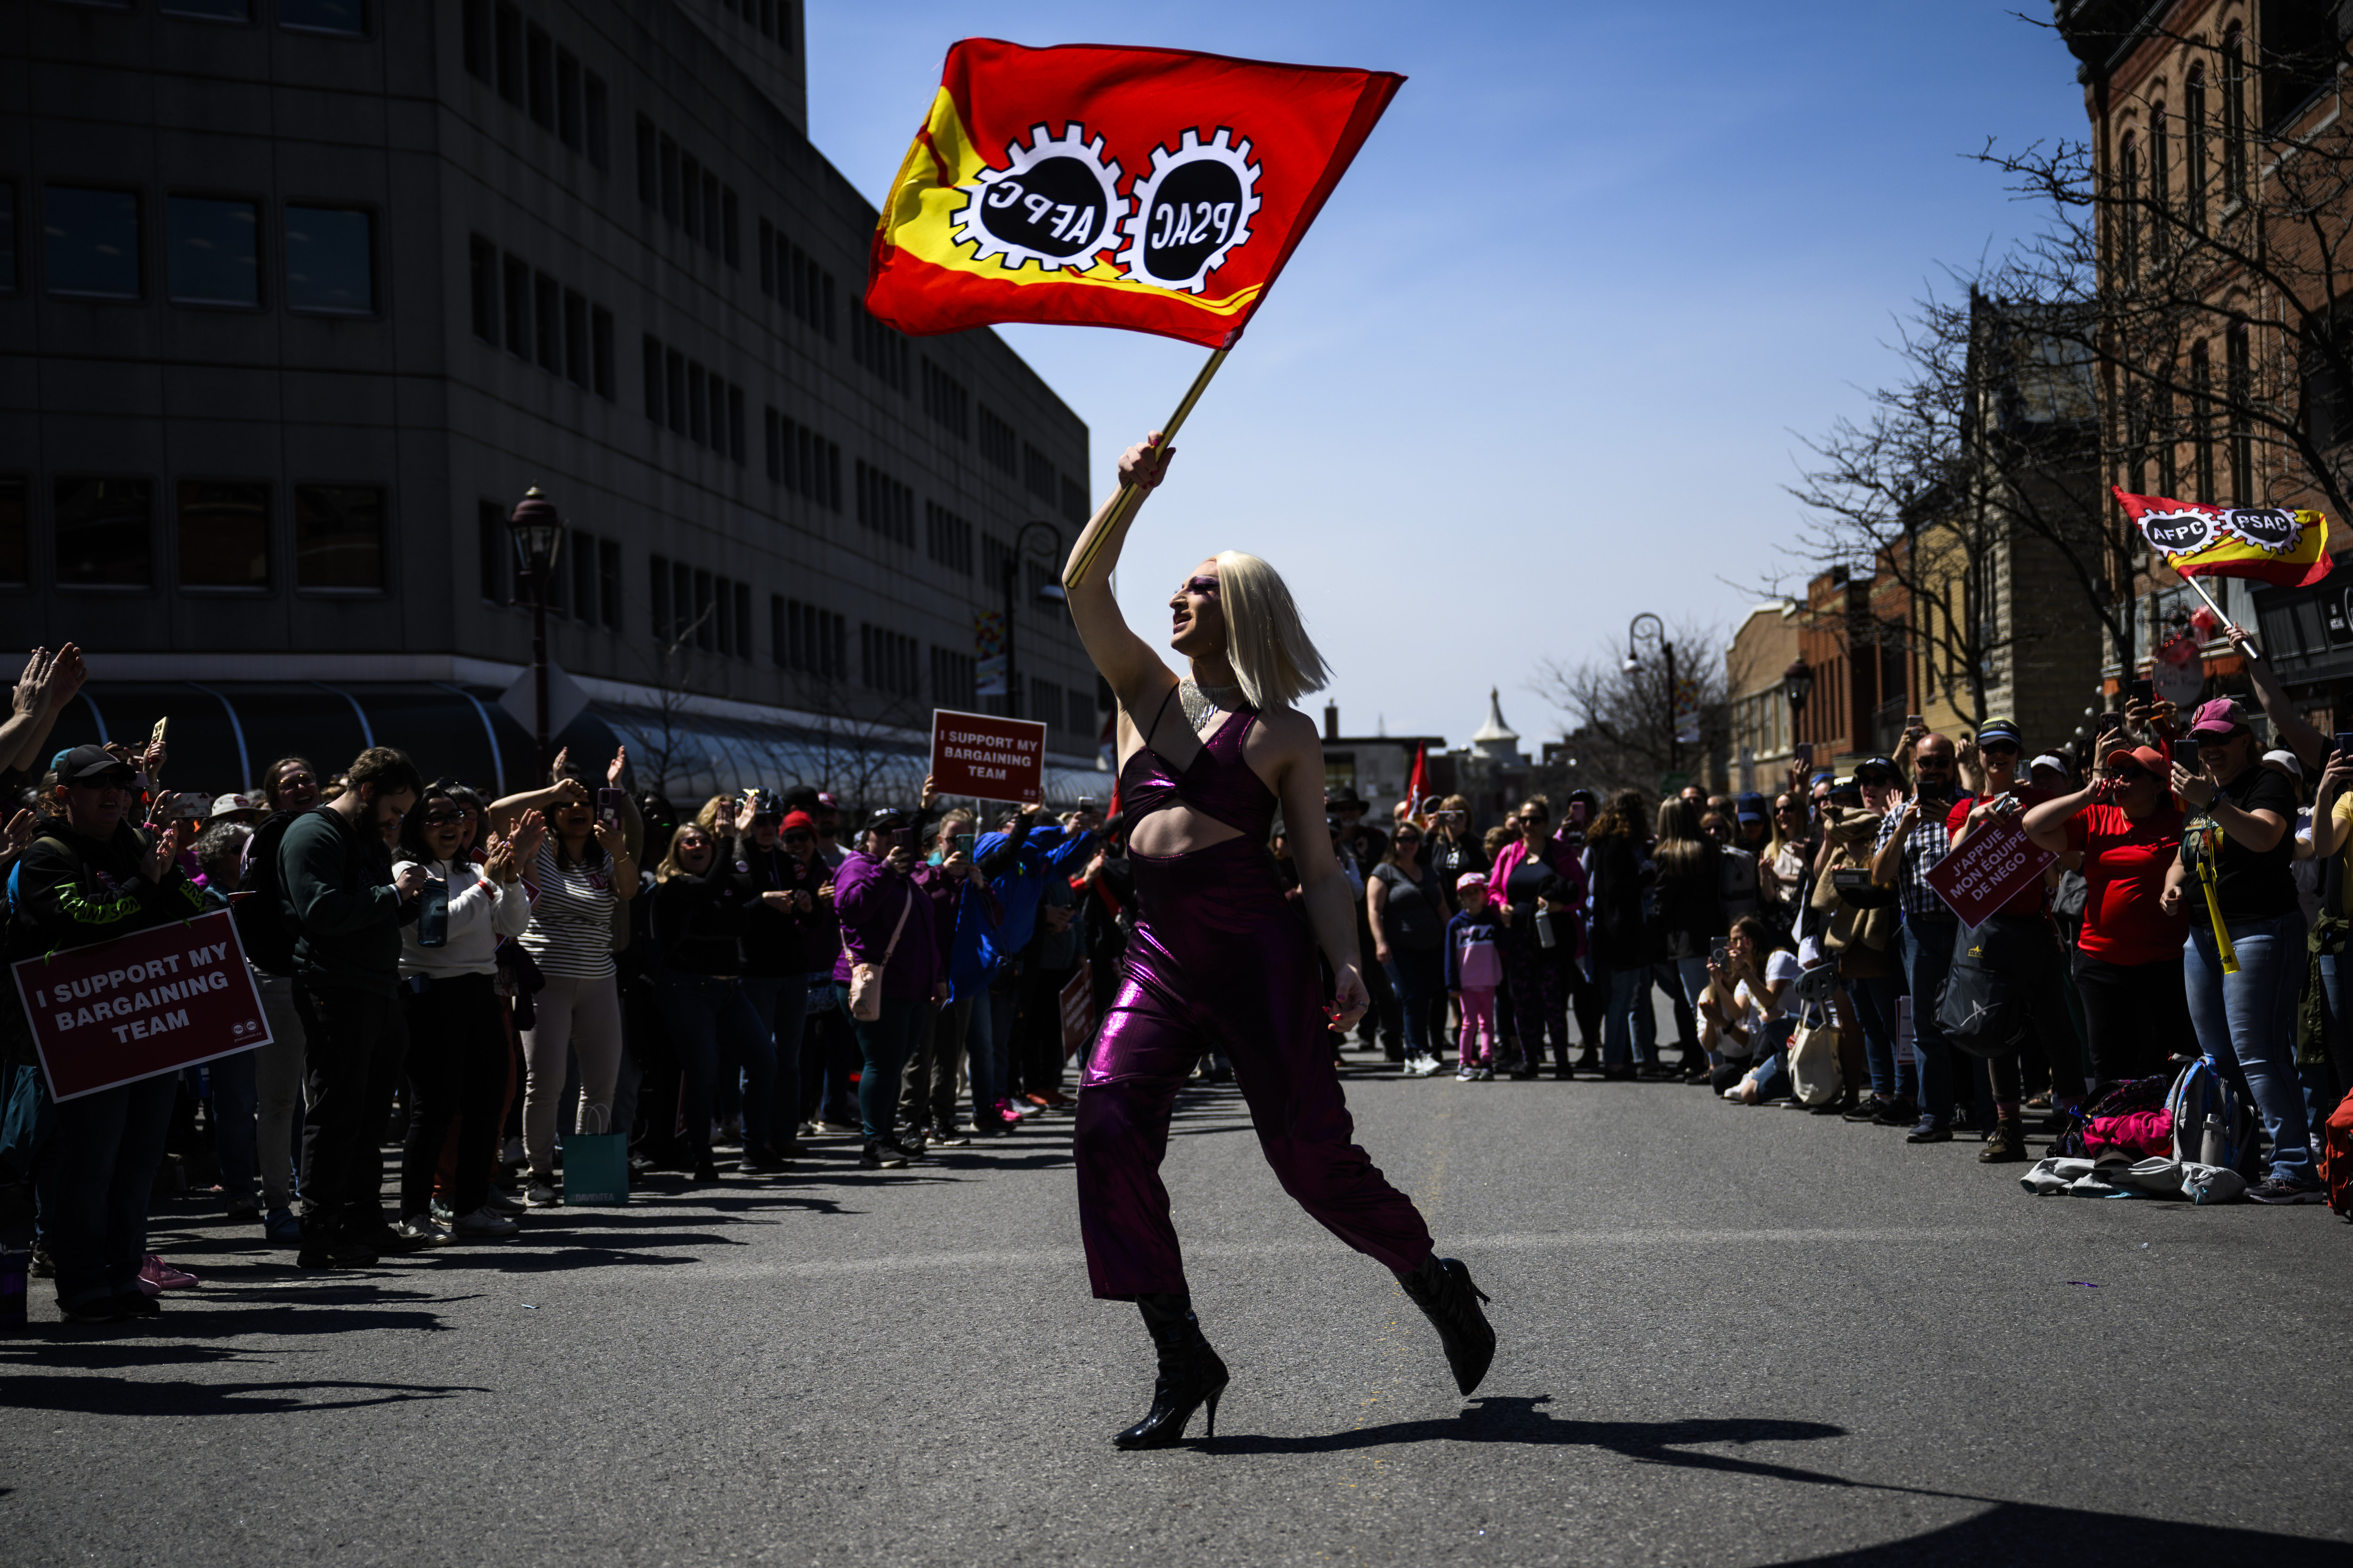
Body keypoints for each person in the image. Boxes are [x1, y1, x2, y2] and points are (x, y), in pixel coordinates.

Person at [1059, 431, 1495, 1450]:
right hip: (1160, 951)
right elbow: (1080, 587)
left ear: (1240, 608)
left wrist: (1347, 959)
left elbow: (1318, 866)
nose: (1177, 595)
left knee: (1309, 1162)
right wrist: (1126, 496)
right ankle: (1181, 1353)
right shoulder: (1141, 693)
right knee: (1108, 1116)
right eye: (1176, 582)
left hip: (1255, 954)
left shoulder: (1284, 733)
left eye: (1200, 587)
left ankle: (1431, 1276)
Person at [11, 745, 206, 1322]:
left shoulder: (136, 844)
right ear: (65, 796)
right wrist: (146, 884)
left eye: (123, 786)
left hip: (149, 1029)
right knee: (89, 1163)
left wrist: (172, 874)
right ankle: (83, 1286)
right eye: (100, 786)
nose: (115, 795)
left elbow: (195, 906)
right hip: (84, 1034)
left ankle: (124, 1277)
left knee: (137, 1161)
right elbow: (84, 919)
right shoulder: (46, 854)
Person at [2163, 698, 2322, 1201]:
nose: (2209, 749)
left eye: (2219, 738)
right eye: (2201, 740)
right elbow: (2183, 854)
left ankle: (2295, 1165)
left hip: (2259, 930)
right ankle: (2237, 1154)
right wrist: (2170, 885)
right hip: (2204, 933)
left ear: (2243, 739)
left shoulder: (2265, 781)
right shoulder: (2206, 792)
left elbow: (2265, 836)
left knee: (2258, 1052)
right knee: (2217, 1056)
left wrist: (2211, 803)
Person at [280, 745, 426, 1268]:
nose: (397, 820)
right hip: (334, 988)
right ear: (367, 792)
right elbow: (321, 910)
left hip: (378, 988)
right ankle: (319, 1229)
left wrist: (407, 902)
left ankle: (364, 1217)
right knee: (336, 1109)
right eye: (394, 808)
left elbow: (371, 910)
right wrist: (392, 894)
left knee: (369, 1114)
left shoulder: (366, 836)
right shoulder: (313, 834)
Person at [492, 748, 639, 1208]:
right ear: (552, 814)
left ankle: (591, 1174)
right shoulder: (541, 853)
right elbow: (497, 813)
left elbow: (630, 890)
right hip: (547, 981)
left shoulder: (605, 856)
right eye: (566, 806)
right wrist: (554, 787)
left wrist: (619, 852)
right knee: (547, 1081)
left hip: (599, 982)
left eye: (585, 805)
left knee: (600, 1083)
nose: (577, 811)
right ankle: (539, 1175)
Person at [391, 783, 533, 1240]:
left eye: (455, 815)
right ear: (417, 826)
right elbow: (440, 929)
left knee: (487, 1104)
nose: (450, 824)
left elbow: (512, 926)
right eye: (436, 817)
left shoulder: (474, 868)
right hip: (430, 998)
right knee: (434, 1109)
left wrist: (509, 880)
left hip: (480, 993)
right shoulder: (411, 870)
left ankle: (472, 1206)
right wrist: (490, 882)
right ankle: (414, 1214)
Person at [1943, 720, 2080, 1162]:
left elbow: (2071, 851)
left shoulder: (2039, 802)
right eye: (1990, 749)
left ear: (2018, 753)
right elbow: (1952, 867)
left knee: (2056, 1030)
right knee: (1994, 1031)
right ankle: (2008, 1130)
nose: (1998, 755)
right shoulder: (1963, 809)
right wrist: (1978, 818)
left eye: (2006, 748)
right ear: (1979, 755)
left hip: (2035, 931)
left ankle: (2076, 1125)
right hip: (1988, 935)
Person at [2021, 744, 2192, 1089]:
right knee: (2108, 1063)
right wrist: (2086, 795)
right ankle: (2109, 1139)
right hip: (2100, 963)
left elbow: (2188, 861)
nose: (2121, 780)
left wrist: (2174, 888)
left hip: (2160, 964)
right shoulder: (2097, 817)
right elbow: (2033, 826)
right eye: (2117, 773)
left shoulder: (2178, 823)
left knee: (2154, 1061)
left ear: (2160, 786)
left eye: (2133, 773)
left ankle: (2152, 1136)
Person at [648, 820, 772, 1183]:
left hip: (731, 991)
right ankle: (702, 1156)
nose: (698, 845)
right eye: (689, 841)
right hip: (687, 990)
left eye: (705, 841)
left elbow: (759, 886)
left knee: (765, 1062)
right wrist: (728, 840)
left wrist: (747, 840)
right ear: (677, 850)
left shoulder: (725, 883)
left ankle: (754, 1150)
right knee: (703, 1074)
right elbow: (705, 890)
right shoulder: (674, 885)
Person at [832, 808, 947, 1169]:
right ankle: (874, 1142)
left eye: (896, 832)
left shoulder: (906, 877)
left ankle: (884, 1133)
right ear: (868, 837)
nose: (887, 838)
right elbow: (851, 909)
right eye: (880, 832)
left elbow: (927, 932)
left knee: (892, 1064)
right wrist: (885, 871)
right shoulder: (860, 866)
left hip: (909, 986)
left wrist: (937, 977)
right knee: (880, 1064)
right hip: (878, 983)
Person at [1873, 732, 1961, 1142]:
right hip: (1920, 931)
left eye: (1941, 762)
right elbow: (1879, 875)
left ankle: (1983, 1110)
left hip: (1966, 927)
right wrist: (1903, 828)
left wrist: (1952, 821)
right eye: (1926, 764)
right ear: (1914, 765)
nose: (1933, 770)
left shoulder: (1969, 807)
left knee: (1974, 1021)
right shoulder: (1898, 816)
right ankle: (1934, 1115)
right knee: (1926, 1027)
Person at [1487, 797, 1585, 1080]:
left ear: (1546, 824)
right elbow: (1493, 889)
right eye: (1524, 820)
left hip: (1551, 941)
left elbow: (1580, 890)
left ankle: (1562, 1063)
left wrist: (1560, 907)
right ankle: (1530, 1061)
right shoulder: (1509, 853)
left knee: (1553, 1001)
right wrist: (1501, 906)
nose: (1528, 825)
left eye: (1535, 820)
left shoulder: (1561, 853)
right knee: (1523, 1002)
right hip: (1518, 939)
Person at [1649, 797, 1726, 1082]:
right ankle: (1727, 1059)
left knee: (1701, 1006)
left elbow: (1662, 905)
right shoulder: (1709, 848)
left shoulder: (1668, 854)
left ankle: (1716, 1066)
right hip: (1716, 934)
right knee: (1719, 1000)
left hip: (1686, 941)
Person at [1585, 789, 1656, 1080]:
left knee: (1622, 999)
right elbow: (1616, 890)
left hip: (1609, 934)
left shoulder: (1604, 845)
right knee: (1621, 1000)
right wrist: (1644, 878)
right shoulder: (1616, 847)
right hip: (1620, 937)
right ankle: (1614, 1060)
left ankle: (1619, 1056)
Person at [1368, 820, 1449, 1077]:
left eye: (1413, 839)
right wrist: (1381, 942)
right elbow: (1374, 911)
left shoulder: (1428, 871)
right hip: (1399, 949)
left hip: (1433, 947)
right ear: (1394, 842)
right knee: (1411, 997)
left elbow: (1443, 908)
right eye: (1402, 839)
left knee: (1424, 999)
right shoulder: (1384, 872)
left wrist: (1455, 939)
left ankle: (1414, 1055)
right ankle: (1418, 1052)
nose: (1408, 844)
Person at [1702, 915, 1802, 1101]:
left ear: (1757, 941)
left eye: (1744, 939)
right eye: (1733, 941)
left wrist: (1743, 971)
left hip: (1804, 1032)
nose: (1738, 946)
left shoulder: (1778, 959)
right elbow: (1736, 1013)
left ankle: (1759, 1071)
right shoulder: (1746, 977)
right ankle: (1787, 1083)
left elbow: (1770, 1000)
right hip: (1784, 1047)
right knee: (1746, 1094)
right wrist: (1718, 984)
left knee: (1768, 1015)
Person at [1444, 872, 1505, 1080]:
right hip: (1466, 983)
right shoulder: (1456, 924)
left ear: (1484, 893)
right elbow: (1449, 957)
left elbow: (1504, 945)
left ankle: (1488, 1061)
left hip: (1489, 980)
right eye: (1466, 894)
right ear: (1460, 898)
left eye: (1475, 892)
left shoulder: (1493, 920)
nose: (1471, 897)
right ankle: (1465, 1061)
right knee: (1469, 1024)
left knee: (1488, 1023)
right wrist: (1452, 984)